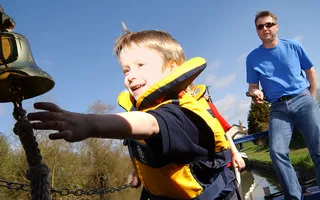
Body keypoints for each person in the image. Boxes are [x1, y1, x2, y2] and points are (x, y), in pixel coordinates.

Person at [28, 25, 242, 199]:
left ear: (171, 68)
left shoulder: (180, 113)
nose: (130, 76)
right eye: (126, 69)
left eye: (140, 64)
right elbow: (148, 146)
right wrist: (138, 170)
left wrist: (89, 124)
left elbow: (150, 124)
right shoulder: (143, 108)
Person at [246, 10, 320, 199]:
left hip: (303, 99)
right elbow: (253, 87)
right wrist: (255, 93)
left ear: (276, 26)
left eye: (269, 24)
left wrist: (311, 96)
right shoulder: (252, 58)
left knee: (318, 146)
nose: (265, 29)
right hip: (278, 109)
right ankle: (295, 197)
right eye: (260, 27)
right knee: (277, 152)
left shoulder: (293, 46)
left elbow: (310, 70)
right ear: (257, 31)